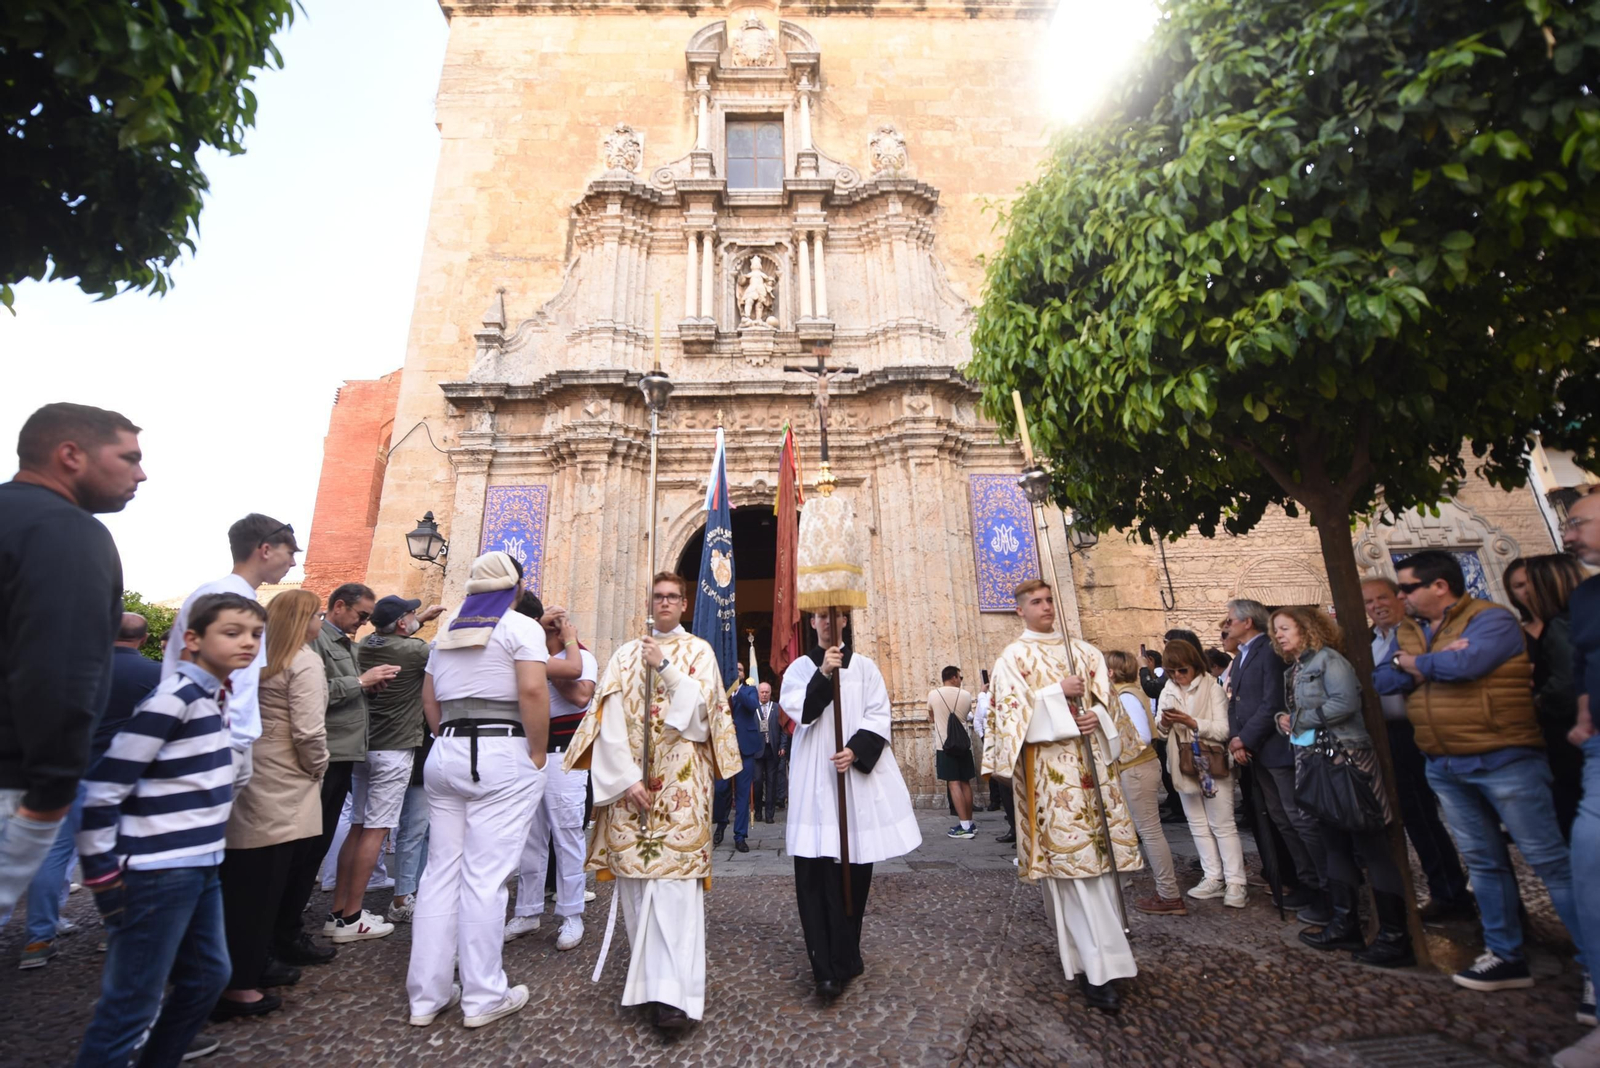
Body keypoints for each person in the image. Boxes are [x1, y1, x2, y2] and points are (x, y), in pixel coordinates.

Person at [1380, 549, 1581, 996]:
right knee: (1484, 865)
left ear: (1439, 586)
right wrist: (1413, 664)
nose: (1400, 596)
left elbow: (1466, 666)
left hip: (1503, 758)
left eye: (1407, 587)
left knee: (1551, 863)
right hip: (1444, 762)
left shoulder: (1491, 619)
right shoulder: (1410, 630)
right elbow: (1384, 679)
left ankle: (1593, 966)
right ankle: (1505, 955)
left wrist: (1419, 666)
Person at [75, 593, 263, 1067]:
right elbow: (103, 786)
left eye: (256, 635)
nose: (248, 643)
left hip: (199, 864)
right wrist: (100, 873)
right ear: (194, 640)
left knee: (206, 979)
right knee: (130, 1004)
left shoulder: (211, 697)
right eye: (233, 632)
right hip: (159, 870)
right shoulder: (174, 697)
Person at [562, 571, 741, 1034]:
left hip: (682, 793)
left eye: (672, 597)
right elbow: (609, 722)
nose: (665, 603)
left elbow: (701, 717)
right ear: (650, 602)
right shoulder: (625, 655)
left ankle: (675, 997)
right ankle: (648, 989)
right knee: (638, 892)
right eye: (658, 596)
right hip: (632, 797)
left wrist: (664, 665)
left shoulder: (699, 652)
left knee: (676, 894)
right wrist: (624, 781)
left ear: (684, 604)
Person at [1, 402, 140, 912]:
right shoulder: (68, 531)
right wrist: (54, 796)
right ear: (70, 454)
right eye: (129, 457)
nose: (140, 473)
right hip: (15, 785)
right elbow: (60, 676)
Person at [986, 580, 1144, 1014]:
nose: (1046, 607)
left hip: (1097, 778)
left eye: (1050, 600)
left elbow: (1113, 710)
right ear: (1019, 611)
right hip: (1054, 786)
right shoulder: (1012, 659)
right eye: (1036, 602)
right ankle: (1099, 969)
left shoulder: (1086, 652)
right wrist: (1058, 695)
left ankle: (1099, 960)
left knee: (1104, 872)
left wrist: (1099, 716)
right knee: (1076, 877)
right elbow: (1008, 719)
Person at [406, 552, 549, 1029]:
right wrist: (537, 752)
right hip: (501, 750)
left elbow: (429, 699)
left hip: (446, 748)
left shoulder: (445, 635)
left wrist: (446, 739)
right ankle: (483, 994)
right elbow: (532, 691)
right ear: (517, 588)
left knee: (440, 872)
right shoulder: (520, 627)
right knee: (486, 877)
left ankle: (426, 995)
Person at [782, 609, 921, 1000]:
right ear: (812, 624)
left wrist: (855, 749)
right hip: (814, 782)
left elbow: (879, 715)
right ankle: (823, 968)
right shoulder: (798, 669)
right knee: (814, 871)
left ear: (845, 621)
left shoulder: (865, 667)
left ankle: (846, 956)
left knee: (853, 869)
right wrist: (824, 674)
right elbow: (803, 712)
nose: (829, 623)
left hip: (851, 783)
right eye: (822, 617)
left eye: (837, 616)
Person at [1271, 606, 1413, 967]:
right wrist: (1283, 720)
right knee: (1333, 843)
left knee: (1369, 843)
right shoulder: (1297, 669)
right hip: (1314, 760)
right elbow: (1299, 712)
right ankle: (1343, 923)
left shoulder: (1330, 661)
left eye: (1285, 628)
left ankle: (1395, 937)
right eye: (1276, 631)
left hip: (1346, 759)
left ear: (1307, 628)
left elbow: (1346, 703)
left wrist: (1301, 719)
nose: (1279, 635)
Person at [17, 612, 158, 970]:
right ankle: (114, 930)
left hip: (69, 773)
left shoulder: (74, 671)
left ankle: (38, 938)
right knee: (120, 855)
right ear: (143, 639)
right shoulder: (154, 674)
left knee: (52, 854)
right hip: (119, 780)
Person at [214, 590, 330, 1020]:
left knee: (242, 879)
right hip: (286, 779)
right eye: (318, 613)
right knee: (268, 882)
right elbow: (309, 732)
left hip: (252, 772)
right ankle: (245, 978)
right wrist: (318, 767)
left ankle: (247, 963)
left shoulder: (259, 662)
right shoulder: (303, 661)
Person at [326, 594, 443, 944]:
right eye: (409, 614)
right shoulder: (415, 651)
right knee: (376, 831)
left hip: (364, 746)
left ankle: (339, 911)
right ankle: (353, 917)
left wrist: (419, 617)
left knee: (359, 826)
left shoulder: (363, 646)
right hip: (394, 749)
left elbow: (394, 634)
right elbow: (439, 651)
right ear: (402, 622)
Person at [165, 515, 300, 801]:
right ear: (265, 550)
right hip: (210, 740)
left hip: (224, 739)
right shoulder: (223, 595)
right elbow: (190, 663)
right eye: (289, 553)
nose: (293, 563)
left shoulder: (235, 596)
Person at [1362, 577, 1473, 921]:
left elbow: (1410, 677)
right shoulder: (1368, 640)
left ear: (1400, 598)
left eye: (1383, 597)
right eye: (1368, 601)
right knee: (1415, 816)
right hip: (1388, 736)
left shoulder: (1418, 633)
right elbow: (1377, 682)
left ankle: (1461, 892)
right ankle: (1446, 890)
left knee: (1457, 816)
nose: (1376, 605)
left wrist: (1403, 672)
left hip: (1422, 729)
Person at [306, 582, 400, 943]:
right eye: (361, 616)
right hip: (330, 747)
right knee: (318, 835)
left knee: (332, 828)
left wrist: (365, 686)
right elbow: (314, 691)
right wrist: (361, 681)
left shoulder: (343, 641)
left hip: (346, 748)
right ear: (339, 605)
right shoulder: (318, 639)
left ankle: (328, 916)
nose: (363, 623)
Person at [1221, 598, 1324, 919]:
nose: (1226, 625)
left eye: (1229, 620)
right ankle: (1306, 882)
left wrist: (1244, 738)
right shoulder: (1241, 658)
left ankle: (1324, 887)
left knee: (1299, 819)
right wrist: (1237, 740)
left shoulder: (1268, 652)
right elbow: (1235, 703)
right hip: (1256, 751)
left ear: (1246, 622)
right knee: (1282, 820)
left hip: (1277, 748)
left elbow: (1271, 702)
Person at [506, 600, 596, 950]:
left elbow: (580, 697)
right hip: (528, 752)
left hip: (565, 755)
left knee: (568, 833)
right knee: (529, 836)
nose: (546, 634)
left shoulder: (582, 657)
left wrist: (552, 662)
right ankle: (527, 911)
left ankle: (571, 913)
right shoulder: (528, 655)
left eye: (551, 629)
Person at [1554, 488, 1600, 1068]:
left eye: (1579, 523)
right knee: (1589, 873)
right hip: (1599, 752)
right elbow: (1587, 662)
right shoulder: (1586, 595)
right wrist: (1586, 715)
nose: (1568, 534)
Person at [1156, 638, 1246, 909]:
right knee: (1197, 824)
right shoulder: (1168, 690)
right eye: (1171, 672)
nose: (1177, 677)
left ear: (1194, 665)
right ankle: (1212, 877)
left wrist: (1191, 722)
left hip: (1211, 763)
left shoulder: (1212, 688)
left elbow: (1222, 730)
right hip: (1182, 764)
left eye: (1182, 670)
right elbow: (1160, 732)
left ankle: (1236, 882)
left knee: (1222, 824)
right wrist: (1163, 723)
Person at [1105, 650, 1182, 916]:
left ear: (1111, 672)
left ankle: (1169, 894)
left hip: (1137, 769)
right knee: (1131, 828)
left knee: (1149, 832)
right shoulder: (1125, 693)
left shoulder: (1125, 696)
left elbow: (1142, 736)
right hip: (1134, 769)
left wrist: (1111, 749)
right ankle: (1125, 876)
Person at [1521, 554, 1588, 839]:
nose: (1523, 594)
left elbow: (1566, 683)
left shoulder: (1560, 625)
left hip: (1572, 739)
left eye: (1528, 586)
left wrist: (1536, 701)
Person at [713, 666, 761, 852]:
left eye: (740, 669)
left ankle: (740, 835)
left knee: (742, 794)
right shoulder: (720, 690)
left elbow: (752, 705)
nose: (737, 672)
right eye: (734, 669)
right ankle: (721, 823)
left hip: (745, 748)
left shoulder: (749, 689)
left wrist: (736, 691)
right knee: (720, 790)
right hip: (724, 747)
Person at [751, 681, 785, 823]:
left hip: (772, 750)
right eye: (762, 692)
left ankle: (769, 814)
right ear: (758, 693)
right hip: (757, 751)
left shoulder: (777, 708)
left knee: (772, 783)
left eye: (767, 692)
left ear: (771, 693)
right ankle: (758, 810)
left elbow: (783, 729)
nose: (764, 694)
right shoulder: (752, 707)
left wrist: (783, 746)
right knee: (758, 781)